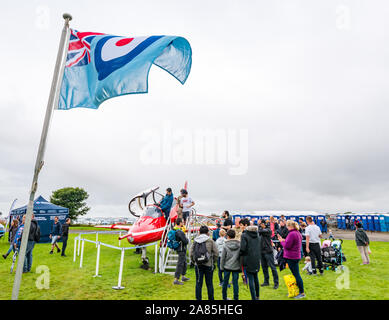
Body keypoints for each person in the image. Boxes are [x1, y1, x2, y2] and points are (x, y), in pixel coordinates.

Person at [277, 220, 305, 299]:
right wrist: (283, 240)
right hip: (296, 256)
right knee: (295, 275)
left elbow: (287, 246)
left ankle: (302, 292)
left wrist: (281, 242)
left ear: (290, 226)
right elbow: (291, 243)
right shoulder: (297, 233)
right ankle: (296, 291)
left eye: (287, 226)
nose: (287, 228)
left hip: (292, 257)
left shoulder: (291, 234)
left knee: (296, 275)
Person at [190, 225, 218, 300]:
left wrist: (194, 261)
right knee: (209, 284)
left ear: (199, 232)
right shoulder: (210, 241)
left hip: (198, 265)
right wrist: (213, 262)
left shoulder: (195, 240)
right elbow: (216, 253)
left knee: (199, 283)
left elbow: (191, 253)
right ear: (207, 232)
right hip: (208, 264)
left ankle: (198, 299)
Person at [240, 218, 261, 300]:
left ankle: (254, 297)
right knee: (255, 277)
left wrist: (240, 254)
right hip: (256, 258)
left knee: (251, 279)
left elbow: (242, 248)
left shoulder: (244, 235)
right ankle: (257, 296)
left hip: (248, 258)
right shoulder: (257, 234)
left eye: (242, 225)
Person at [258, 219, 279, 289]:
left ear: (263, 224)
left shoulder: (268, 230)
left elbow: (260, 231)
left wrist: (259, 226)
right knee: (264, 267)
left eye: (260, 224)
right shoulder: (261, 230)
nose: (259, 225)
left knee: (272, 267)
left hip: (268, 251)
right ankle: (266, 281)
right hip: (261, 251)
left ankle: (276, 283)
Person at [220, 229, 241, 300]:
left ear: (228, 236)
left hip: (227, 266)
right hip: (236, 266)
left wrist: (221, 267)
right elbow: (240, 257)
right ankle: (236, 298)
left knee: (225, 283)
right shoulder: (239, 244)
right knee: (235, 284)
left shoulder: (225, 245)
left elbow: (223, 257)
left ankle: (224, 297)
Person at [173, 218, 190, 284]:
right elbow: (185, 241)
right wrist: (187, 239)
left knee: (184, 262)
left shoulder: (175, 229)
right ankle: (176, 279)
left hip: (180, 248)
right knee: (180, 264)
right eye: (182, 222)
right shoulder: (179, 231)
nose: (183, 223)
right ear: (180, 223)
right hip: (181, 249)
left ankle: (183, 276)